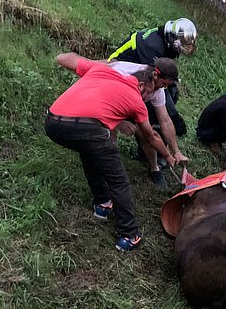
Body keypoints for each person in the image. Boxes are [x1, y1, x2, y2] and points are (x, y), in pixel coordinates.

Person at [45, 53, 176, 252]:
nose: (149, 97)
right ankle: (129, 235)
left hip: (53, 123)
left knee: (89, 151)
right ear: (142, 85)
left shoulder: (100, 69)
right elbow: (152, 137)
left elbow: (63, 57)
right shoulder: (136, 100)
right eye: (150, 92)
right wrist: (168, 156)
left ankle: (103, 204)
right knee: (119, 180)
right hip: (88, 128)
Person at [108, 18, 198, 138]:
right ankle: (145, 133)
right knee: (151, 103)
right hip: (117, 73)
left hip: (137, 71)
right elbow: (153, 83)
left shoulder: (163, 41)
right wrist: (174, 118)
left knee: (171, 91)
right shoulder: (153, 48)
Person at [108, 58, 189, 191]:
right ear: (155, 75)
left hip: (131, 101)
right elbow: (106, 105)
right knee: (110, 134)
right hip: (111, 96)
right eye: (163, 83)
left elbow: (165, 120)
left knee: (146, 132)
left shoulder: (157, 88)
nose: (164, 87)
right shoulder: (123, 76)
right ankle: (111, 168)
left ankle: (154, 169)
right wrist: (120, 123)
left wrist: (176, 152)